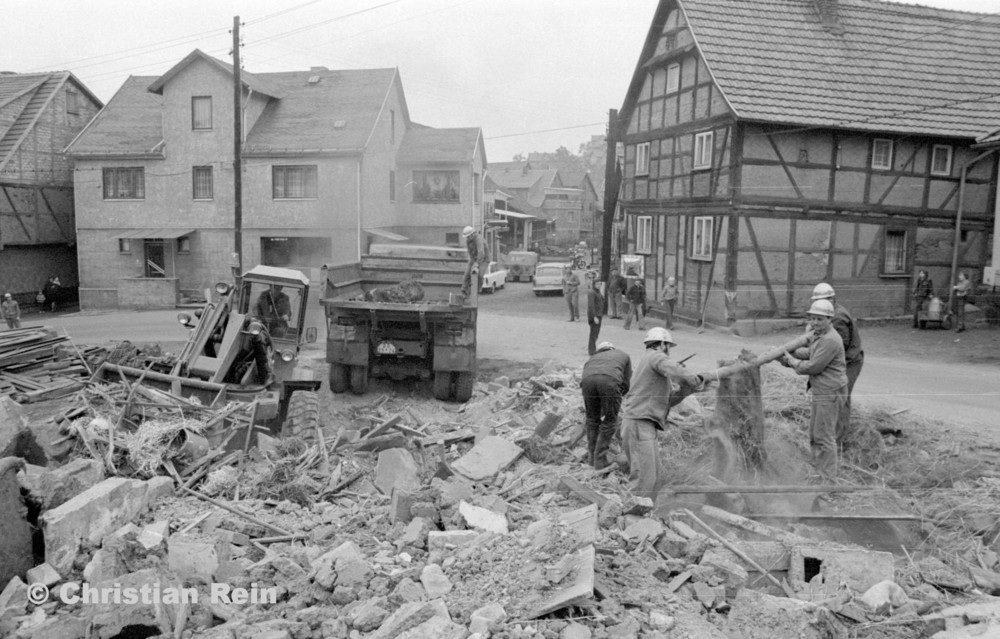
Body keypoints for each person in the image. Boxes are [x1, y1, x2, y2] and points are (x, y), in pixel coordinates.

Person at [620, 327, 710, 499]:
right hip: (639, 423)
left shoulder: (649, 365)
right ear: (662, 344)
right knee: (643, 478)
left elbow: (668, 401)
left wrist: (685, 390)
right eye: (668, 346)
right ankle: (634, 519)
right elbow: (674, 368)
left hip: (643, 424)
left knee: (653, 477)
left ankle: (647, 515)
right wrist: (697, 380)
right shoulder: (655, 356)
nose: (669, 351)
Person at [779, 299, 848, 477]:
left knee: (824, 437)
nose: (815, 322)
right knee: (815, 434)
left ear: (829, 319)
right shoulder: (819, 335)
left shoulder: (831, 340)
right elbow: (808, 353)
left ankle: (828, 480)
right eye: (813, 319)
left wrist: (790, 360)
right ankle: (818, 470)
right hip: (821, 391)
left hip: (830, 392)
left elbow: (813, 367)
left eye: (820, 319)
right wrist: (786, 355)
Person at [811, 283, 862, 417]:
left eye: (823, 300)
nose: (819, 304)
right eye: (817, 301)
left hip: (850, 361)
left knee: (841, 397)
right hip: (844, 359)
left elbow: (839, 347)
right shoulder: (829, 312)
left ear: (832, 299)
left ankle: (839, 436)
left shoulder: (837, 317)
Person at [581, 341, 632, 470]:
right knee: (610, 421)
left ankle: (591, 459)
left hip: (587, 382)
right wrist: (615, 401)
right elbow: (626, 382)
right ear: (612, 349)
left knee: (592, 420)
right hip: (610, 381)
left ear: (599, 351)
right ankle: (600, 460)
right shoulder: (623, 355)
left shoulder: (592, 358)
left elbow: (587, 380)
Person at [461, 225, 490, 297]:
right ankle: (464, 291)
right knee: (467, 274)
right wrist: (473, 262)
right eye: (467, 237)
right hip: (474, 258)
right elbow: (470, 253)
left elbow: (481, 253)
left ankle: (477, 289)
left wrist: (477, 264)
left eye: (468, 236)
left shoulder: (479, 239)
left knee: (479, 275)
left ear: (472, 234)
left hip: (484, 259)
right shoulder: (468, 241)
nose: (467, 238)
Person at [586, 271, 604, 355]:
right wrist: (594, 317)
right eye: (597, 284)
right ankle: (591, 350)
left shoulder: (598, 292)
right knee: (593, 334)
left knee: (596, 333)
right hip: (595, 316)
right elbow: (591, 306)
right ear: (594, 284)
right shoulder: (592, 292)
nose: (599, 285)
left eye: (600, 284)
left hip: (599, 315)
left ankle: (593, 348)